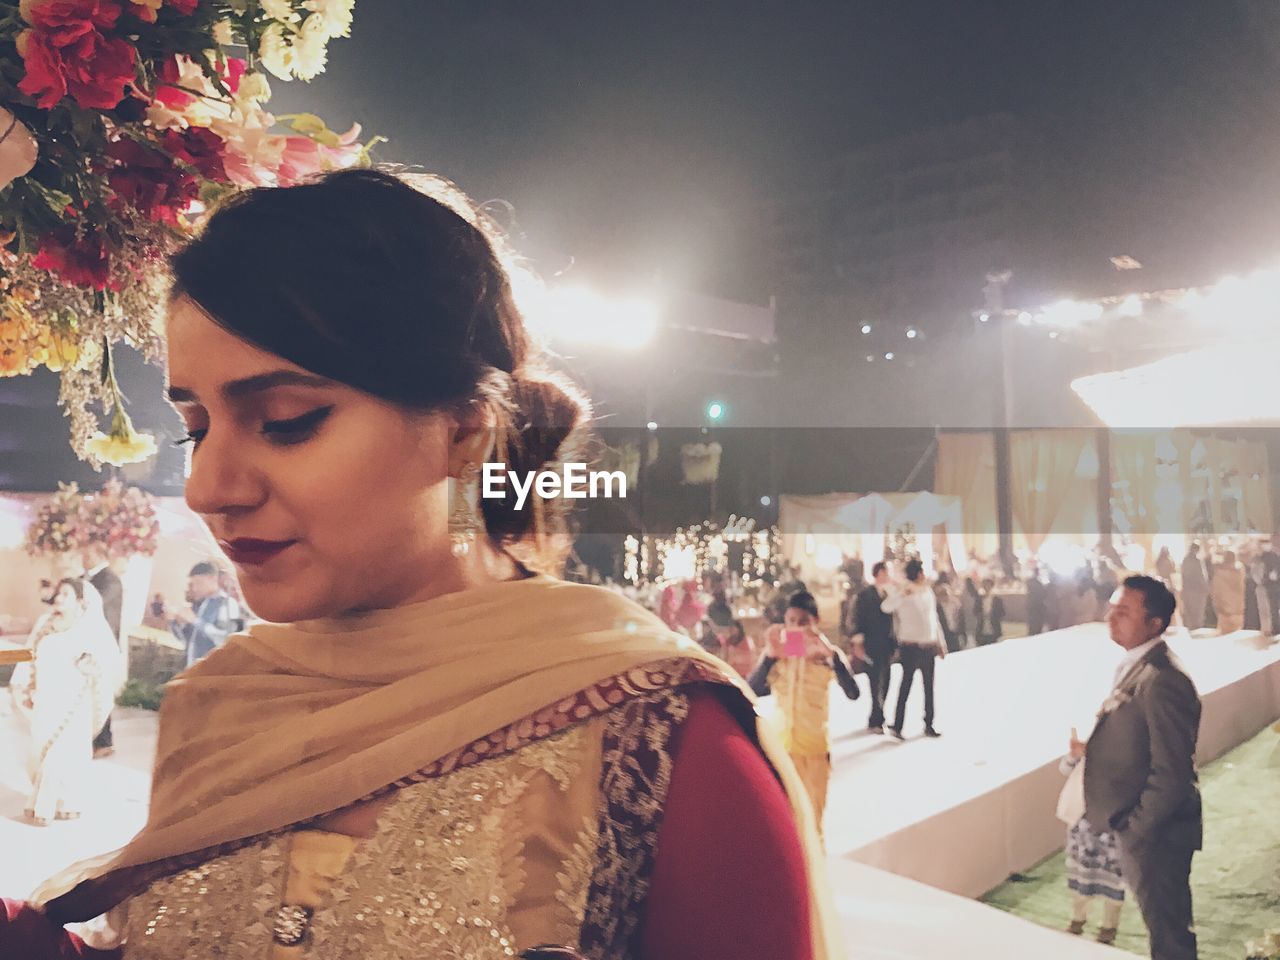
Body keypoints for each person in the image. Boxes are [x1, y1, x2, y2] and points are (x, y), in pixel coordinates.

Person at [20, 170, 841, 960]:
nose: (207, 487)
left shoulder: (662, 740)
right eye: (195, 428)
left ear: (463, 433)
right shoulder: (222, 705)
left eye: (287, 420)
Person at [1083, 576, 1201, 960]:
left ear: (1155, 623)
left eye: (1124, 612)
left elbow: (1172, 772)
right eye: (1111, 608)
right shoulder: (1137, 664)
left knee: (1169, 936)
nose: (1110, 618)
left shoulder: (1165, 679)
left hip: (1158, 835)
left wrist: (1136, 828)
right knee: (1162, 930)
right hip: (1140, 827)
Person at [11, 578, 123, 825]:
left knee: (62, 754)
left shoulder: (89, 630)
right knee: (40, 753)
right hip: (45, 700)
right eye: (58, 593)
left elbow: (106, 665)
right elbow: (28, 656)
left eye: (65, 594)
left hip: (74, 704)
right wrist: (26, 688)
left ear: (80, 601)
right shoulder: (45, 625)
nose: (58, 598)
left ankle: (46, 807)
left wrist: (92, 668)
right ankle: (55, 801)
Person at [749, 591, 858, 830]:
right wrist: (769, 657)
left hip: (815, 751)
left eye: (803, 622)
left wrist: (831, 657)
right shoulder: (779, 655)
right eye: (791, 622)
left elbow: (853, 693)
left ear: (816, 622)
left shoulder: (828, 656)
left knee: (812, 822)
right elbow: (750, 690)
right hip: (783, 752)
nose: (797, 628)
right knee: (784, 824)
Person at [1057, 729, 1125, 943]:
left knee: (1113, 881)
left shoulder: (1127, 756)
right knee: (1080, 877)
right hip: (1083, 827)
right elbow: (1065, 769)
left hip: (1111, 829)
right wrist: (1075, 755)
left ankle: (1109, 928)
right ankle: (1078, 919)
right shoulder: (1090, 754)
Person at [883, 559, 946, 739]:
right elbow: (886, 607)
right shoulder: (904, 590)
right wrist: (902, 594)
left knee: (929, 686)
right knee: (906, 685)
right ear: (918, 574)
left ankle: (929, 723)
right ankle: (898, 724)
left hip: (928, 645)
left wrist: (940, 643)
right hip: (910, 646)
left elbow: (933, 619)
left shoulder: (927, 591)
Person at [82, 541, 123, 759]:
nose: (83, 557)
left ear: (99, 553)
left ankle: (105, 741)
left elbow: (96, 603)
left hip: (102, 644)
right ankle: (90, 738)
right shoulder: (86, 577)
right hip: (86, 642)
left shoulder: (110, 580)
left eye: (87, 553)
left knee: (101, 692)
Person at [850, 561, 897, 733]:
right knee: (875, 681)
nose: (888, 576)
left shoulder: (891, 594)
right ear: (878, 574)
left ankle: (875, 717)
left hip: (887, 644)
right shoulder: (865, 595)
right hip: (871, 643)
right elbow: (858, 619)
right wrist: (858, 642)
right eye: (885, 573)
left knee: (887, 680)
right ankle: (878, 719)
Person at [169, 562, 243, 667]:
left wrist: (195, 621)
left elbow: (226, 638)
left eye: (198, 583)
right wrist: (177, 622)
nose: (195, 588)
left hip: (214, 671)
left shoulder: (228, 603)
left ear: (212, 578)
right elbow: (189, 642)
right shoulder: (200, 605)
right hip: (194, 669)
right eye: (193, 584)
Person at [1209, 549, 1245, 634]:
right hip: (1237, 609)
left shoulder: (1219, 572)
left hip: (1224, 609)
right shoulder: (1240, 571)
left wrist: (1216, 604)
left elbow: (1216, 590)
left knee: (1224, 635)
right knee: (1236, 633)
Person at [1180, 542, 1209, 631]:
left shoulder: (1185, 560)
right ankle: (1196, 626)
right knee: (1197, 609)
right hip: (1197, 590)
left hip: (1188, 589)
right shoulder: (1197, 561)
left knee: (1190, 609)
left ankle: (1192, 626)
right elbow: (1201, 576)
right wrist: (1205, 587)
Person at [973, 577, 1005, 647]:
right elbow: (975, 611)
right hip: (982, 629)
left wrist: (993, 615)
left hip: (994, 629)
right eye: (984, 585)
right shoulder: (979, 599)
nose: (986, 587)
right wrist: (981, 615)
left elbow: (1002, 613)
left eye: (988, 585)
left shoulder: (997, 600)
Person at [1026, 563, 1048, 636]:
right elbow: (1043, 594)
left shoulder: (1030, 582)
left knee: (1034, 625)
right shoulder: (1038, 583)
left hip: (1033, 606)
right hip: (1037, 606)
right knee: (1037, 625)